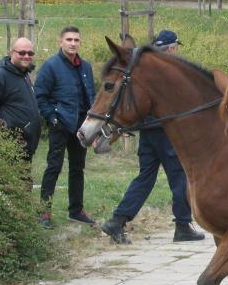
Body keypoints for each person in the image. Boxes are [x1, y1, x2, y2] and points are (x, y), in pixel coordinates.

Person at [101, 30, 206, 244]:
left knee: (145, 178)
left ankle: (118, 220)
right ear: (170, 48)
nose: (176, 51)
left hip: (147, 132)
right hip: (166, 131)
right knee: (179, 177)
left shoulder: (143, 67)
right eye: (175, 46)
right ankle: (183, 226)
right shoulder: (166, 70)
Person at [35, 26, 96, 229]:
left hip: (81, 125)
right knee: (54, 167)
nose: (72, 43)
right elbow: (40, 96)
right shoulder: (51, 66)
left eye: (76, 40)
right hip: (60, 124)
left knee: (78, 168)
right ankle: (44, 212)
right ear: (60, 42)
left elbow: (92, 97)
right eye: (69, 39)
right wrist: (52, 118)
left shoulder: (85, 67)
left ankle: (76, 210)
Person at [0, 37, 42, 163]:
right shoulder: (0, 76)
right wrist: (4, 132)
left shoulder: (23, 74)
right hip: (9, 147)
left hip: (26, 145)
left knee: (24, 181)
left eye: (30, 53)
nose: (26, 56)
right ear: (11, 53)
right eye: (22, 53)